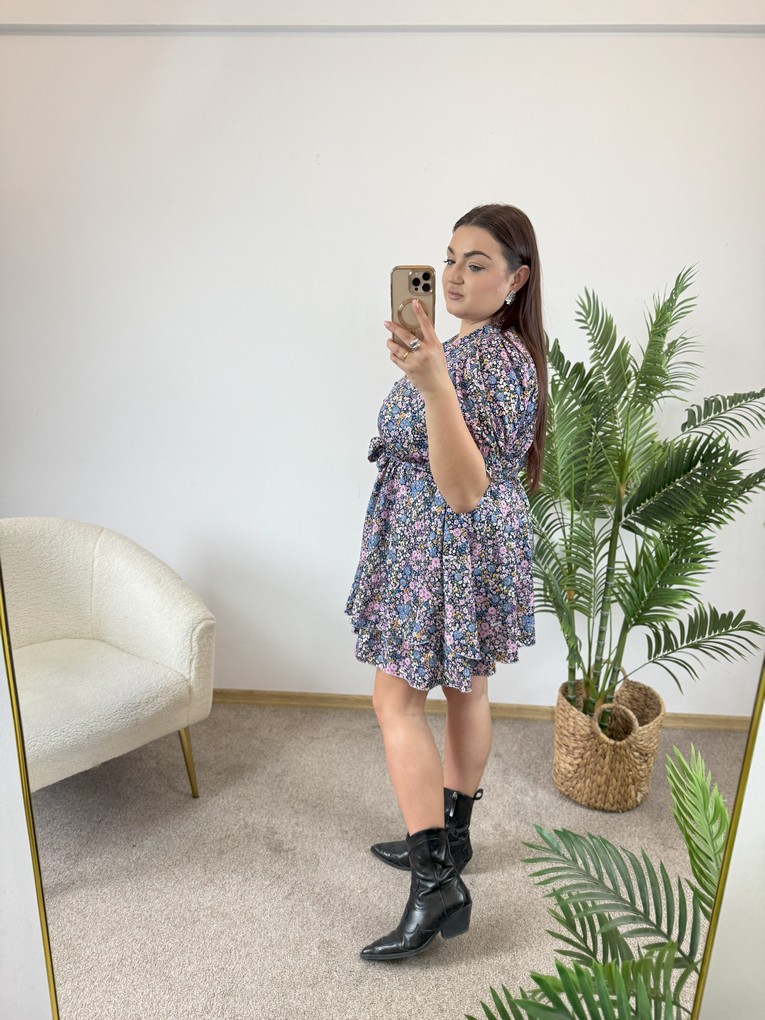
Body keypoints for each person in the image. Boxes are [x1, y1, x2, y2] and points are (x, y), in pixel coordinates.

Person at [345, 203, 547, 961]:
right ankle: (451, 839)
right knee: (467, 689)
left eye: (477, 263)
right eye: (450, 259)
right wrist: (430, 370)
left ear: (516, 279)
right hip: (452, 543)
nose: (455, 275)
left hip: (445, 544)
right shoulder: (471, 346)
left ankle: (435, 883)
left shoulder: (487, 360)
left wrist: (432, 385)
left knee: (393, 701)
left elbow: (463, 489)